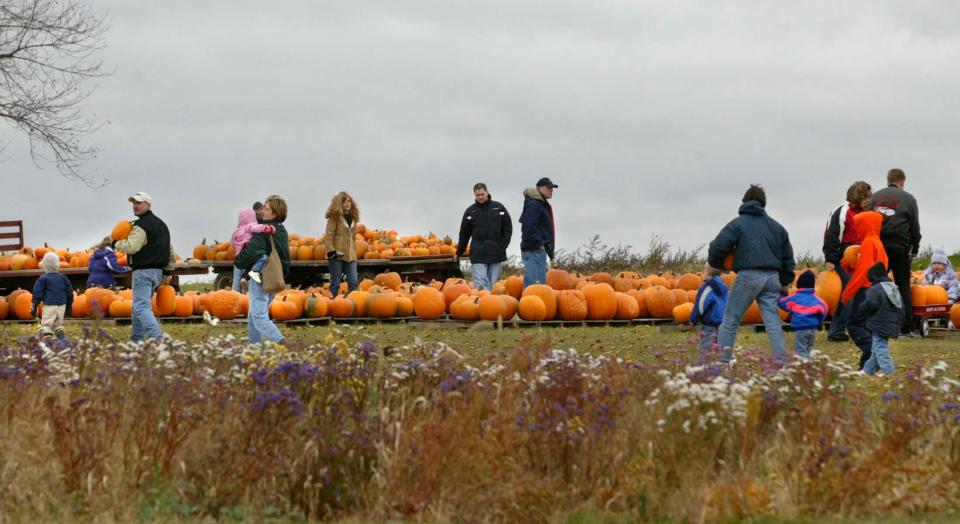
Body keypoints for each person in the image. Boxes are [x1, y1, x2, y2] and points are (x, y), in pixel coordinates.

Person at [707, 185, 795, 365]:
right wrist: (785, 282)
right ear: (764, 203)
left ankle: (723, 361)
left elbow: (718, 246)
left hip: (749, 276)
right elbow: (788, 257)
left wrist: (716, 265)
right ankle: (781, 362)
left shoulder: (738, 224)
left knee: (731, 318)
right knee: (772, 321)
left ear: (745, 202)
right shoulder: (777, 227)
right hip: (772, 278)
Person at [114, 191, 175, 342]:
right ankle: (136, 342)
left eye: (139, 203)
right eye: (133, 203)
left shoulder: (141, 226)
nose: (135, 206)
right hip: (157, 272)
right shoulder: (161, 225)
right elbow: (170, 250)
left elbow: (132, 247)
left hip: (143, 272)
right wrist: (168, 270)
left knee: (141, 308)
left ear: (148, 205)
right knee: (138, 308)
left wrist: (115, 243)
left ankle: (158, 340)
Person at [870, 168, 921, 336]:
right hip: (900, 245)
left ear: (888, 180)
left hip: (878, 246)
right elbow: (914, 225)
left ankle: (872, 323)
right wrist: (915, 245)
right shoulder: (909, 199)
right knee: (903, 286)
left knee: (876, 284)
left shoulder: (875, 197)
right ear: (902, 182)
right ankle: (906, 327)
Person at [236, 194, 290, 344]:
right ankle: (254, 353)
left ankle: (283, 343)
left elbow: (252, 252)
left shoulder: (264, 232)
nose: (262, 212)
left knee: (259, 317)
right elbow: (284, 256)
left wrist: (239, 261)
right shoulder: (281, 230)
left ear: (275, 213)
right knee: (253, 317)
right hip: (275, 278)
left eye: (266, 209)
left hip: (261, 277)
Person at [822, 181, 872, 342]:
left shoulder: (866, 213)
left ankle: (857, 327)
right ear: (859, 196)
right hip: (842, 258)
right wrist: (830, 259)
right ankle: (836, 330)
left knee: (863, 292)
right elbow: (832, 235)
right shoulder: (842, 211)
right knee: (848, 292)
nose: (869, 200)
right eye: (867, 197)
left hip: (860, 258)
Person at [840, 211, 888, 369]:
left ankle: (874, 354)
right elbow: (876, 267)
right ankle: (866, 364)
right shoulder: (878, 243)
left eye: (858, 226)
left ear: (866, 225)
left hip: (866, 291)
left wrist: (847, 293)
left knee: (854, 324)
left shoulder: (868, 243)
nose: (857, 230)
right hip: (877, 289)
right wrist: (848, 264)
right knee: (867, 326)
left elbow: (864, 272)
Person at [455, 183, 512, 291]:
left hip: (496, 253)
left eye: (482, 194)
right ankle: (483, 305)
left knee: (494, 285)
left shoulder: (499, 208)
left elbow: (508, 228)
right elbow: (464, 234)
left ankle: (492, 306)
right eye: (477, 195)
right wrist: (459, 252)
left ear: (487, 192)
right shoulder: (470, 211)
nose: (480, 197)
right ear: (475, 195)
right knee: (480, 284)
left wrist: (502, 246)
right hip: (478, 253)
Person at [860, 262, 903, 376]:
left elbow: (870, 304)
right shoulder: (893, 288)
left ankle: (889, 371)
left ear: (874, 277)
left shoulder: (875, 289)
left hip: (880, 323)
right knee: (876, 348)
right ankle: (868, 370)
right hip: (892, 322)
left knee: (880, 347)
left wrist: (862, 309)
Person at [777, 270, 829, 359]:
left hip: (801, 328)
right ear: (813, 285)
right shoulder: (818, 300)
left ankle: (803, 368)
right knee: (808, 349)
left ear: (798, 285)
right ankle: (809, 365)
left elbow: (781, 302)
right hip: (813, 329)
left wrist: (781, 292)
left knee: (800, 351)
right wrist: (819, 321)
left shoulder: (794, 299)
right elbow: (825, 310)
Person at [519, 177, 557, 288]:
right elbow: (528, 226)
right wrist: (540, 243)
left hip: (536, 248)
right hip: (534, 248)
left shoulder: (539, 204)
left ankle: (532, 303)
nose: (551, 190)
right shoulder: (534, 204)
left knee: (536, 283)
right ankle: (530, 305)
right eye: (548, 187)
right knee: (535, 284)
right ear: (539, 188)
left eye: (552, 188)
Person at [230, 207, 276, 291]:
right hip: (247, 255)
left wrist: (237, 248)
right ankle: (245, 294)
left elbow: (232, 242)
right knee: (263, 258)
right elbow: (259, 228)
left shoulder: (237, 231)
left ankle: (235, 294)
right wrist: (269, 228)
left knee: (236, 279)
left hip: (238, 258)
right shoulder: (250, 226)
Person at [31, 252, 74, 340]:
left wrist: (34, 305)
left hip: (49, 306)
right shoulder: (63, 277)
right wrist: (69, 306)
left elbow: (37, 293)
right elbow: (69, 292)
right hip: (62, 306)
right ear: (58, 264)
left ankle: (49, 344)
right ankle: (63, 341)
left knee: (46, 326)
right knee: (58, 325)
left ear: (44, 265)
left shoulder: (43, 278)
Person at [324, 191, 360, 296]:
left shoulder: (354, 218)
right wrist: (330, 251)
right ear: (339, 203)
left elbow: (353, 237)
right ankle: (331, 305)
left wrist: (354, 253)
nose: (347, 203)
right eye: (344, 201)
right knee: (335, 283)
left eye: (349, 201)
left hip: (350, 255)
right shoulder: (334, 217)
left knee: (353, 282)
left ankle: (354, 304)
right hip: (336, 255)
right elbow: (329, 235)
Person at [689, 271, 729, 357]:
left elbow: (701, 305)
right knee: (722, 349)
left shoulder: (706, 287)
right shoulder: (724, 286)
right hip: (723, 323)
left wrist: (693, 319)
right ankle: (724, 364)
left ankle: (706, 366)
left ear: (707, 273)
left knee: (706, 349)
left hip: (710, 324)